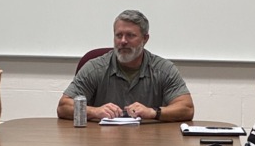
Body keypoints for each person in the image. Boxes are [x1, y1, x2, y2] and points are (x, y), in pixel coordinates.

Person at [57, 9, 194, 123]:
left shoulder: (163, 70)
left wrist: (153, 112)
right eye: (119, 35)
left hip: (148, 144)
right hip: (100, 144)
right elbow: (64, 106)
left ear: (145, 39)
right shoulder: (95, 68)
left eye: (130, 35)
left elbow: (186, 108)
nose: (123, 41)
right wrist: (95, 111)